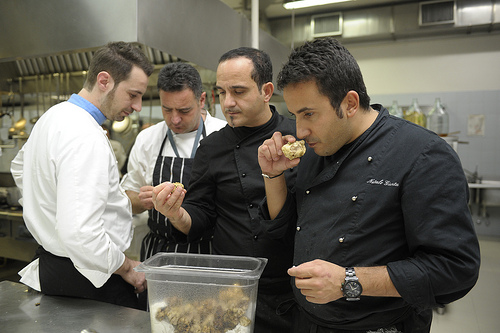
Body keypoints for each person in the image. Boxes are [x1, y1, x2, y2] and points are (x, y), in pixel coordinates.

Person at [256, 37, 481, 332]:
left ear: (349, 103)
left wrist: (349, 281)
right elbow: (288, 234)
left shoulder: (422, 154)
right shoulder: (315, 150)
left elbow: (455, 268)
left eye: (309, 113)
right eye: (295, 115)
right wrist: (273, 176)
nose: (300, 130)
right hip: (307, 321)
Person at [152, 47, 297, 332]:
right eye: (221, 92)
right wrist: (177, 214)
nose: (227, 103)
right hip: (231, 289)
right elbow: (202, 214)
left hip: (291, 287)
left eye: (239, 91)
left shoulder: (295, 138)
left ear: (266, 91)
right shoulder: (213, 147)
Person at [10, 41, 154, 309]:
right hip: (89, 280)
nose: (137, 106)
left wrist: (51, 211)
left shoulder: (53, 117)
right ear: (104, 81)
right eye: (133, 94)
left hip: (56, 268)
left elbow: (20, 167)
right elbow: (80, 234)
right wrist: (126, 267)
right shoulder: (85, 135)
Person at [120, 62, 226, 260]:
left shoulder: (223, 135)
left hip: (211, 252)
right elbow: (127, 198)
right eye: (167, 110)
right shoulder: (148, 139)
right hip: (160, 252)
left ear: (201, 100)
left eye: (184, 110)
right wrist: (141, 201)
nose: (174, 119)